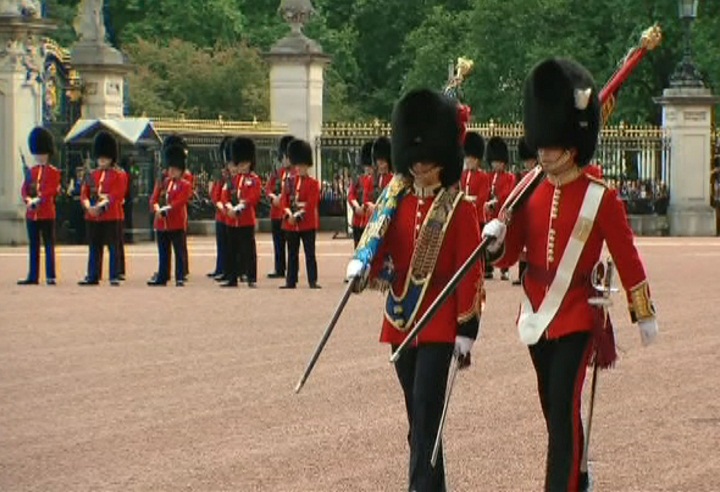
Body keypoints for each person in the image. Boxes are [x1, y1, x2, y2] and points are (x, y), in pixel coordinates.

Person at [482, 57, 659, 491]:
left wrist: (643, 311)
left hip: (579, 314)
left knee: (562, 408)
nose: (541, 151)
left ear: (572, 143)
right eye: (540, 143)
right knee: (553, 411)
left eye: (550, 143)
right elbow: (507, 259)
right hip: (537, 314)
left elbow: (627, 254)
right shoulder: (529, 190)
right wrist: (496, 238)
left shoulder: (600, 197)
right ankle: (577, 478)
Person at [345, 89, 484, 491]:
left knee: (426, 411)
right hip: (400, 320)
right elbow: (381, 252)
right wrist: (362, 268)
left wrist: (466, 328)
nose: (420, 163)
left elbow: (468, 270)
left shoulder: (460, 208)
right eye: (415, 155)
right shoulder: (396, 203)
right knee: (417, 418)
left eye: (428, 156)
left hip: (440, 323)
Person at [79, 131, 125, 286]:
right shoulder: (92, 174)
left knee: (113, 248)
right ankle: (93, 275)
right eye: (100, 157)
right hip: (93, 216)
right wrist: (88, 207)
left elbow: (117, 194)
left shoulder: (119, 175)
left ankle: (114, 275)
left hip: (112, 215)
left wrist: (101, 204)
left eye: (104, 157)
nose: (102, 160)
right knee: (94, 247)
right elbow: (84, 194)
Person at [18, 126, 62, 285]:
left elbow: (51, 190)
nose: (40, 157)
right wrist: (28, 200)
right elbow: (25, 188)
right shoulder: (32, 171)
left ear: (48, 154)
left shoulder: (54, 172)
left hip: (47, 213)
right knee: (33, 246)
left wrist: (39, 199)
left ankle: (51, 275)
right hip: (32, 214)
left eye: (42, 154)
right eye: (37, 154)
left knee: (49, 244)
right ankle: (33, 275)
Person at [147, 144, 193, 287]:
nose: (171, 171)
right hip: (161, 223)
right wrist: (156, 209)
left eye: (175, 169)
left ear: (180, 170)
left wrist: (166, 209)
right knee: (163, 252)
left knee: (178, 251)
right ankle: (162, 275)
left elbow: (180, 201)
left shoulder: (185, 184)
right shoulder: (163, 182)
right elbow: (153, 198)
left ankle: (180, 276)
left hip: (176, 222)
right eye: (170, 169)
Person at [220, 137, 262, 288]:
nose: (242, 166)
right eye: (240, 163)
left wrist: (239, 207)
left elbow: (253, 197)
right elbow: (224, 195)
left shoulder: (254, 179)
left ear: (250, 163)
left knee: (248, 250)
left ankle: (251, 277)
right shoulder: (233, 179)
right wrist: (228, 208)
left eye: (244, 164)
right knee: (231, 250)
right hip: (231, 220)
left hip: (246, 220)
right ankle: (232, 277)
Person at [280, 139, 321, 290]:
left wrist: (296, 215)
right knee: (292, 254)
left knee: (310, 253)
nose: (299, 169)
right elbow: (284, 201)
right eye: (298, 166)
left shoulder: (313, 184)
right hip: (291, 224)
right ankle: (290, 281)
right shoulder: (289, 182)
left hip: (306, 222)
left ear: (307, 166)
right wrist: (289, 214)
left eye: (302, 166)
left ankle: (312, 280)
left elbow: (311, 204)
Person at [483, 136, 516, 281]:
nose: (496, 165)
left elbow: (508, 193)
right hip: (490, 214)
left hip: (501, 212)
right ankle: (488, 267)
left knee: (503, 239)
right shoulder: (489, 176)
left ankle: (504, 269)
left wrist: (497, 201)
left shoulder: (509, 177)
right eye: (494, 162)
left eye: (499, 162)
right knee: (488, 239)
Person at [265, 135, 296, 279]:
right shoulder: (278, 173)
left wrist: (281, 199)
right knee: (278, 244)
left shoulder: (295, 174)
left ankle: (291, 269)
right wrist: (273, 199)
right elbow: (268, 189)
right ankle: (279, 268)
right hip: (275, 213)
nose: (284, 160)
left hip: (286, 214)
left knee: (290, 244)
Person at [512, 137, 537, 286]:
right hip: (524, 213)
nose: (528, 164)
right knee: (522, 247)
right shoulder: (521, 176)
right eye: (527, 161)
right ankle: (522, 274)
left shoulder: (539, 175)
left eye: (530, 161)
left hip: (534, 212)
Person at [208, 136, 233, 280]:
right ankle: (221, 267)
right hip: (221, 215)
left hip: (231, 216)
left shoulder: (235, 178)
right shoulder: (221, 175)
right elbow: (215, 194)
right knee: (222, 244)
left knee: (232, 246)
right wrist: (218, 204)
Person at [460, 131, 492, 232]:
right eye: (467, 157)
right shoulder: (463, 175)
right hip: (464, 217)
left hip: (478, 219)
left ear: (477, 160)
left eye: (471, 158)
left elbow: (481, 199)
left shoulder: (483, 177)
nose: (468, 160)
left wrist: (465, 199)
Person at [347, 141, 374, 248]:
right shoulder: (359, 179)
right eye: (366, 166)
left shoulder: (377, 181)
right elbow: (351, 195)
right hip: (357, 221)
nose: (368, 168)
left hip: (370, 221)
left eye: (370, 166)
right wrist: (356, 207)